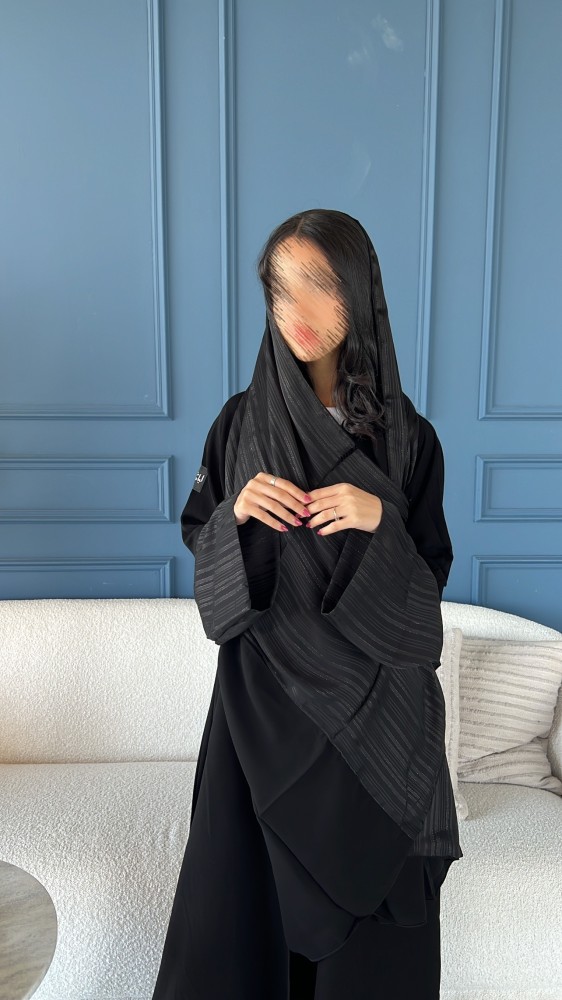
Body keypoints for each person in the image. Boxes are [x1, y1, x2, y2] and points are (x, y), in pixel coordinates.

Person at [150, 209, 463, 1000]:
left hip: (377, 717)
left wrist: (380, 520)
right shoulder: (237, 423)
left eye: (319, 284)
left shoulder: (411, 440)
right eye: (280, 287)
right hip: (258, 712)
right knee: (239, 931)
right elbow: (204, 548)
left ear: (359, 291)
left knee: (369, 948)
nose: (297, 309)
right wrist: (236, 517)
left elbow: (427, 589)